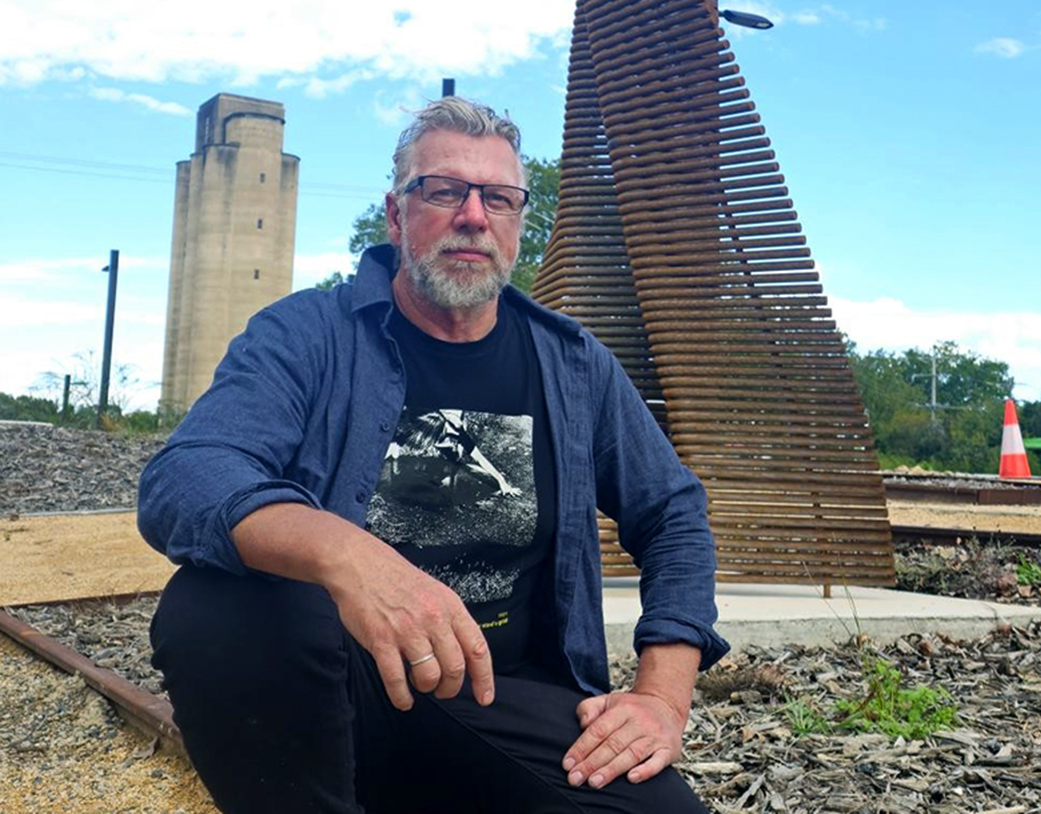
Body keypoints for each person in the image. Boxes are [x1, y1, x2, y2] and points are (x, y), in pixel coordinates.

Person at [138, 97, 728, 814]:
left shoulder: (574, 365)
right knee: (214, 607)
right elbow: (187, 475)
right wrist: (349, 556)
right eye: (444, 191)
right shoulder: (308, 335)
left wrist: (661, 697)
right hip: (339, 691)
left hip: (502, 696)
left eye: (498, 198)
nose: (473, 216)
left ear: (517, 222)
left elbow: (671, 514)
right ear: (396, 215)